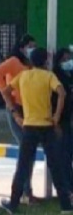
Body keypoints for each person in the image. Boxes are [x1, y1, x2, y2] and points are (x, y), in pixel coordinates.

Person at [0, 47, 72, 214]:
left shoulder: (23, 76)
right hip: (47, 126)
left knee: (22, 166)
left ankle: (13, 203)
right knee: (56, 166)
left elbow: (5, 92)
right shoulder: (49, 76)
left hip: (29, 126)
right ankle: (66, 206)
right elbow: (62, 93)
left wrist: (15, 113)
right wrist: (56, 116)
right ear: (45, 61)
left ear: (31, 61)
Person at [0, 34, 37, 203]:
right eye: (30, 45)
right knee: (26, 149)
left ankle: (26, 191)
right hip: (15, 108)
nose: (32, 49)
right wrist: (6, 92)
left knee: (29, 150)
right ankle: (24, 192)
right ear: (22, 46)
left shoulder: (31, 65)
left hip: (29, 109)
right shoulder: (14, 62)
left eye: (34, 46)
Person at [54, 47, 73, 192]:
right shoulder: (56, 76)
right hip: (64, 121)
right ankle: (68, 188)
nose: (67, 62)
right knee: (65, 156)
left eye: (69, 59)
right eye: (64, 60)